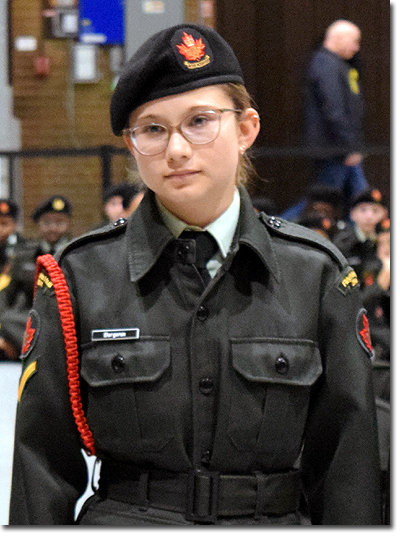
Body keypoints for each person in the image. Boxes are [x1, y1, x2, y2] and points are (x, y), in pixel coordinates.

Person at [9, 23, 381, 525]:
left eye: (199, 121)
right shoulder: (82, 275)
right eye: (152, 129)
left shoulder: (314, 274)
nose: (177, 149)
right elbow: (40, 466)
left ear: (246, 129)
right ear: (131, 144)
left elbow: (347, 466)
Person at [281, 20, 368, 221]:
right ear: (339, 38)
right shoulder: (326, 64)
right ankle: (281, 223)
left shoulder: (333, 63)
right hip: (334, 147)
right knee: (326, 199)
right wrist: (349, 146)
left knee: (357, 197)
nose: (356, 47)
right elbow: (333, 109)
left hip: (337, 146)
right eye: (354, 41)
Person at [0, 195, 72, 361]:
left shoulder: (75, 254)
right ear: (39, 225)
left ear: (68, 223)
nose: (53, 228)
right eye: (47, 222)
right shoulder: (24, 256)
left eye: (59, 222)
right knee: (8, 319)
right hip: (31, 315)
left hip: (66, 315)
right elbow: (8, 294)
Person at [333, 188, 388, 280]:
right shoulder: (343, 242)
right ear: (352, 214)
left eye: (375, 211)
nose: (369, 216)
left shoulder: (385, 241)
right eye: (363, 210)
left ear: (384, 214)